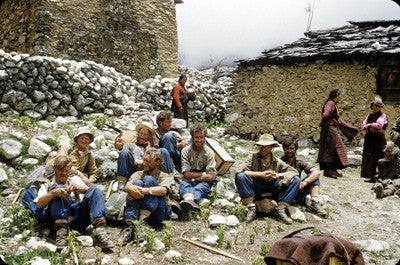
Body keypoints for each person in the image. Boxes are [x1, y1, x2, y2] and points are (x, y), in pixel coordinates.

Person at [24, 155, 114, 249]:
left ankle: (100, 232)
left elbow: (88, 191)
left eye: (67, 171)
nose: (64, 173)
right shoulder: (47, 183)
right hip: (56, 221)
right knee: (59, 188)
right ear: (54, 169)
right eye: (61, 170)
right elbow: (39, 203)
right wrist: (54, 193)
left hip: (76, 219)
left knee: (96, 191)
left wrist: (76, 188)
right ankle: (61, 234)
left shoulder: (73, 179)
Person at [235, 133, 300, 224]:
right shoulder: (253, 157)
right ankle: (251, 207)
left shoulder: (277, 161)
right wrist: (261, 174)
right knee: (240, 176)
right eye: (261, 146)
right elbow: (240, 171)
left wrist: (278, 175)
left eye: (266, 146)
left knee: (296, 180)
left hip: (273, 188)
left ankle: (281, 209)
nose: (263, 149)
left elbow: (294, 172)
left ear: (271, 148)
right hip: (255, 189)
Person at [118, 148, 173, 245]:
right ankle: (130, 226)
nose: (143, 163)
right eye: (143, 160)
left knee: (148, 180)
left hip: (159, 213)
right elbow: (128, 185)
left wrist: (145, 191)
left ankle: (142, 224)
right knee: (137, 183)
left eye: (147, 161)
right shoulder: (138, 174)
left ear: (157, 162)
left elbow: (164, 190)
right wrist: (131, 190)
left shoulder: (164, 176)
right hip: (140, 210)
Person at [117, 122, 174, 188]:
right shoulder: (129, 145)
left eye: (145, 134)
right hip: (134, 170)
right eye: (141, 133)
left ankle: (170, 181)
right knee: (124, 153)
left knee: (164, 151)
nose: (142, 136)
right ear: (138, 134)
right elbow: (125, 158)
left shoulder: (152, 148)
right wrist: (143, 162)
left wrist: (148, 148)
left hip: (149, 171)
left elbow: (155, 162)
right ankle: (121, 183)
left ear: (149, 136)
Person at [317, 89, 359, 178]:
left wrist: (351, 128)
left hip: (331, 129)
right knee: (334, 148)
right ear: (336, 95)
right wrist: (323, 121)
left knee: (331, 149)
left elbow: (338, 120)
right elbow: (326, 114)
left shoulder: (333, 104)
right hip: (330, 130)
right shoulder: (330, 103)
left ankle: (329, 170)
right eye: (340, 95)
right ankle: (330, 169)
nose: (341, 97)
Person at [281, 137, 327, 218]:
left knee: (313, 176)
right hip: (283, 191)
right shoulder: (279, 161)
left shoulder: (299, 162)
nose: (289, 151)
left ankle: (314, 202)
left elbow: (316, 172)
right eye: (287, 149)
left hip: (297, 190)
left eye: (292, 148)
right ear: (283, 149)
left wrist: (304, 182)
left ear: (295, 149)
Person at [178, 123, 217, 212]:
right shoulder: (185, 151)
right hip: (196, 177)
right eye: (196, 137)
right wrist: (202, 175)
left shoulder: (209, 152)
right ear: (192, 137)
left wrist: (193, 179)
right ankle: (190, 203)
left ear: (204, 138)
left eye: (201, 137)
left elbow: (210, 176)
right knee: (183, 184)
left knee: (200, 187)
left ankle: (187, 202)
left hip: (203, 181)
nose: (199, 140)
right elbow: (186, 173)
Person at [361, 95, 388, 183]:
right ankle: (371, 177)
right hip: (370, 139)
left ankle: (381, 177)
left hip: (379, 140)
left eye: (377, 106)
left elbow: (380, 125)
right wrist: (367, 127)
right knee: (370, 158)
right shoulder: (369, 115)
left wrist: (369, 125)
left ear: (380, 107)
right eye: (374, 105)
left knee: (380, 157)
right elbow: (363, 126)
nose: (375, 107)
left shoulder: (383, 116)